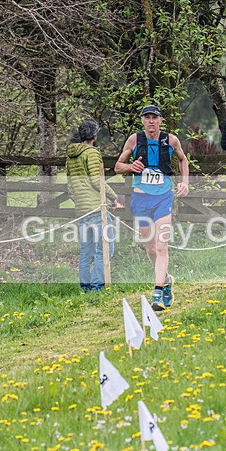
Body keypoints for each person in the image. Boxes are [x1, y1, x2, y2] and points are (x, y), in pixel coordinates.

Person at [115, 105, 189, 310]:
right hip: (141, 200)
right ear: (142, 120)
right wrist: (130, 167)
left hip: (163, 198)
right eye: (147, 118)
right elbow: (117, 166)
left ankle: (157, 292)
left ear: (160, 120)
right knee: (149, 247)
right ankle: (165, 279)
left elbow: (183, 160)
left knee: (161, 245)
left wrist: (185, 182)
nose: (151, 121)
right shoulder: (134, 140)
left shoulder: (171, 140)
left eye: (154, 118)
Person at [65, 119, 122, 292]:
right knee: (104, 249)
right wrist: (114, 198)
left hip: (81, 210)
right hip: (97, 209)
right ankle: (97, 287)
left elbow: (70, 188)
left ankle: (85, 288)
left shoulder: (70, 157)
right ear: (95, 136)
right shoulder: (92, 153)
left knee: (86, 251)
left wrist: (80, 203)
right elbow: (97, 181)